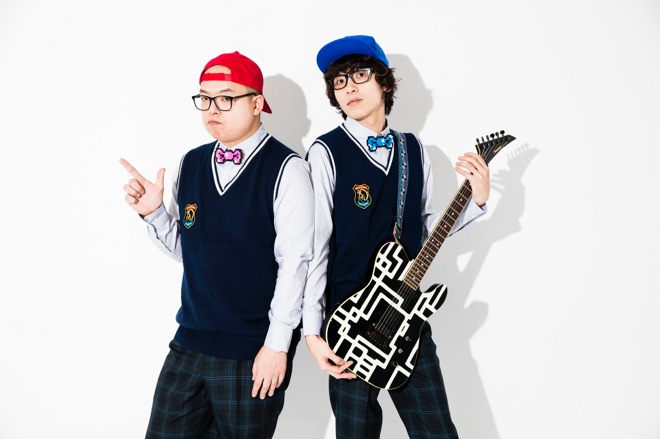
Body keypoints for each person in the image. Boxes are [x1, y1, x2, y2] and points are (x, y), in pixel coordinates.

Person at [303, 35, 491, 438]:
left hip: (407, 318)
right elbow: (315, 246)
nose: (349, 87)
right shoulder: (325, 151)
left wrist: (475, 199)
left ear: (384, 82)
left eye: (359, 74)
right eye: (338, 81)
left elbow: (427, 226)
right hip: (348, 324)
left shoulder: (413, 148)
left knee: (437, 430)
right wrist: (312, 332)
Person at [120, 51, 314, 439]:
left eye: (226, 98)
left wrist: (277, 346)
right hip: (189, 342)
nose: (212, 108)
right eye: (205, 98)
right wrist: (155, 214)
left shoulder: (287, 169)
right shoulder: (191, 163)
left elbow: (297, 264)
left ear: (256, 103)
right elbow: (190, 253)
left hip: (251, 350)